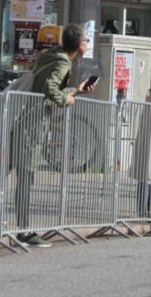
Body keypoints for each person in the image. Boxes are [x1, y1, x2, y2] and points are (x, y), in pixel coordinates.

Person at [8, 23, 93, 247]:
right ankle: (24, 230)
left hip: (25, 117)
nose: (88, 44)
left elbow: (45, 85)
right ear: (80, 44)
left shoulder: (53, 54)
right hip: (34, 123)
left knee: (15, 173)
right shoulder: (64, 61)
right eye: (87, 40)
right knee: (26, 175)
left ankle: (16, 225)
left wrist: (76, 90)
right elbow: (50, 88)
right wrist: (66, 99)